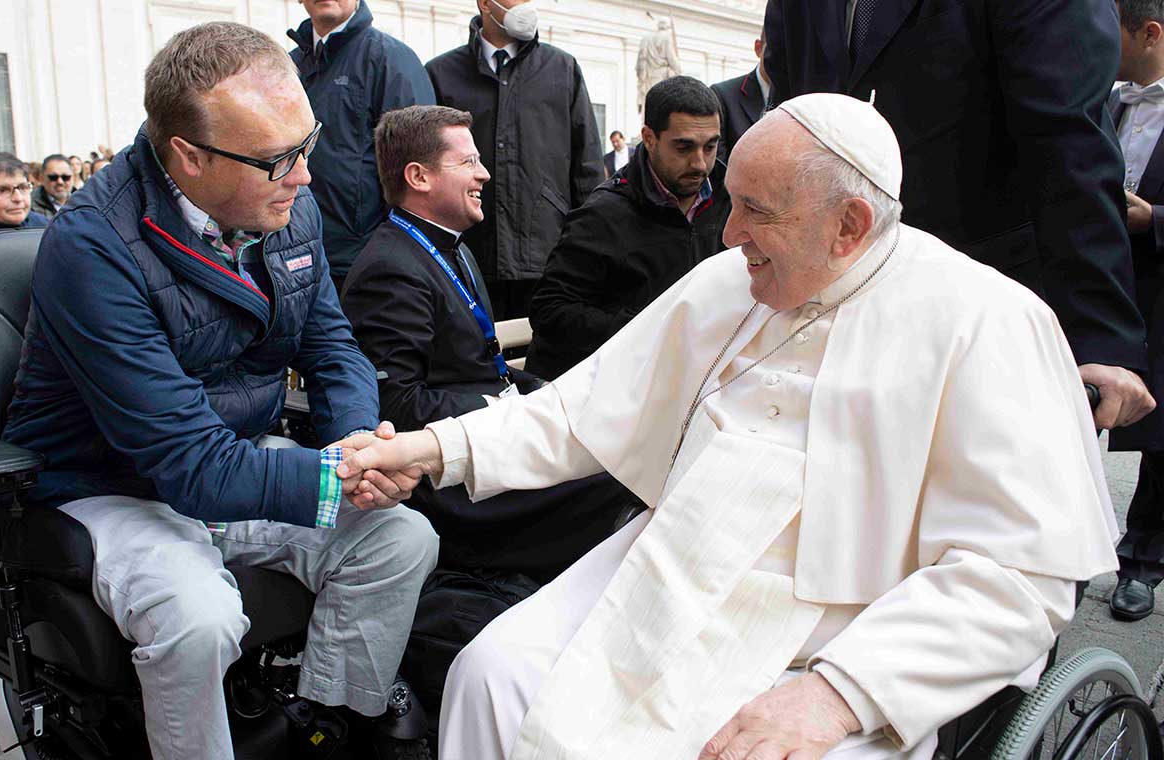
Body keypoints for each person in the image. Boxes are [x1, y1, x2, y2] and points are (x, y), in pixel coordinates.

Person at [338, 94, 1119, 760]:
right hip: (673, 561)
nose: (726, 233)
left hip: (852, 624)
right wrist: (432, 448)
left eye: (756, 211)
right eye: (730, 199)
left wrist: (842, 693)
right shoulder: (732, 280)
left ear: (848, 225)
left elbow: (1017, 577)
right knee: (493, 674)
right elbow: (584, 406)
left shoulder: (990, 320)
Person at [0, 23, 438, 760]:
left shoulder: (285, 202)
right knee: (197, 618)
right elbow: (186, 465)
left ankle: (326, 724)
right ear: (189, 156)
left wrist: (356, 440)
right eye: (278, 160)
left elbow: (332, 346)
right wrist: (344, 476)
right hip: (111, 481)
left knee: (401, 539)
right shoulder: (93, 250)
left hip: (230, 452)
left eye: (309, 142)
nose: (305, 175)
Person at [764, 0, 1154, 433]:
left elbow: (1070, 146)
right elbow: (788, 121)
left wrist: (1098, 334)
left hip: (980, 323)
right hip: (823, 318)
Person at [341, 105, 634, 580]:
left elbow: (479, 364)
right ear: (419, 176)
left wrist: (538, 390)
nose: (485, 173)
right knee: (622, 481)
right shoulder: (390, 268)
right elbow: (395, 405)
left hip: (489, 447)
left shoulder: (445, 246)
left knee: (626, 450)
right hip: (456, 487)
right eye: (468, 162)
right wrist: (503, 405)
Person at [526, 76, 731, 380]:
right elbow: (550, 310)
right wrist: (648, 329)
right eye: (684, 147)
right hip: (605, 384)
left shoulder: (729, 196)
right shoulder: (605, 214)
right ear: (649, 138)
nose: (700, 163)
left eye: (710, 146)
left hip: (690, 376)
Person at [425, 0, 604, 320]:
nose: (525, 5)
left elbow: (586, 167)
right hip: (468, 255)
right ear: (485, 4)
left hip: (546, 255)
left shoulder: (562, 69)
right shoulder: (442, 74)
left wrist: (588, 248)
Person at [287, 0, 436, 296]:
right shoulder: (287, 67)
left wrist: (395, 260)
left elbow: (420, 169)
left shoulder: (391, 60)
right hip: (297, 260)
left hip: (364, 266)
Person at [1107, 0, 1164, 621]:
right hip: (1100, 278)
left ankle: (1142, 563)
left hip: (1159, 288)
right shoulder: (1108, 99)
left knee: (1159, 435)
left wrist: (1154, 219)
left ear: (1149, 35)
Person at [711, 20, 772, 161]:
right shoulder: (722, 96)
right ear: (758, 48)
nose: (783, 61)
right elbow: (718, 169)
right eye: (776, 51)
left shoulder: (800, 100)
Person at [31, 153, 73, 219]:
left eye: (65, 177)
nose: (60, 182)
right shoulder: (29, 206)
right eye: (53, 177)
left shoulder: (83, 202)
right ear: (42, 178)